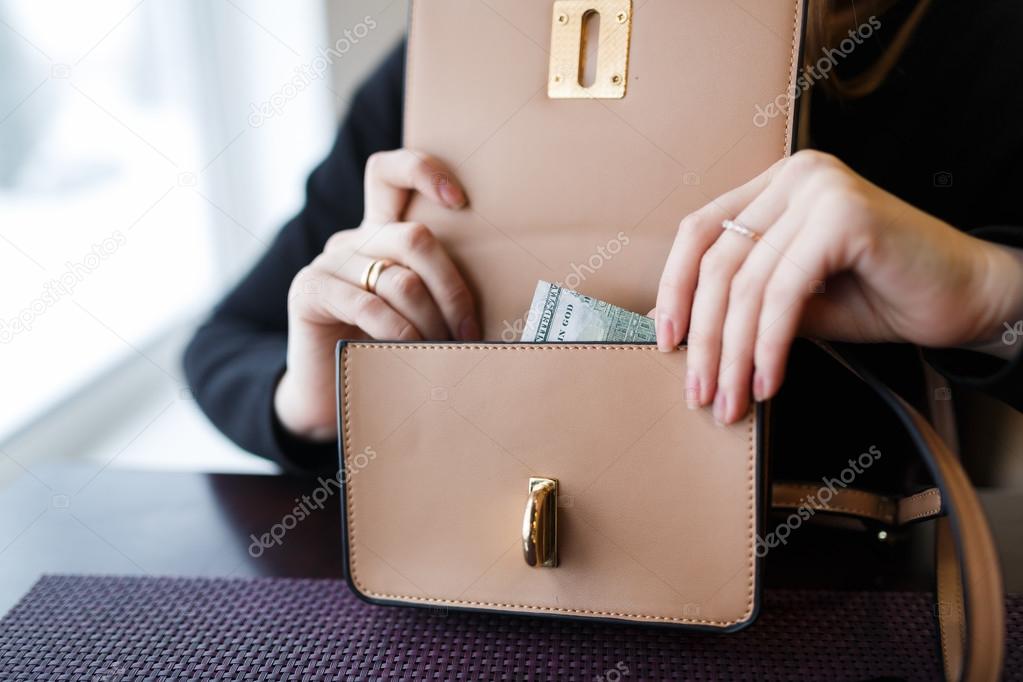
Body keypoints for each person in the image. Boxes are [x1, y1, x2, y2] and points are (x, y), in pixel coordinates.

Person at [185, 0, 1023, 475]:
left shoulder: (970, 42)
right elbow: (230, 340)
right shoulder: (464, 64)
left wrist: (991, 296)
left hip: (838, 598)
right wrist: (318, 396)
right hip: (471, 586)